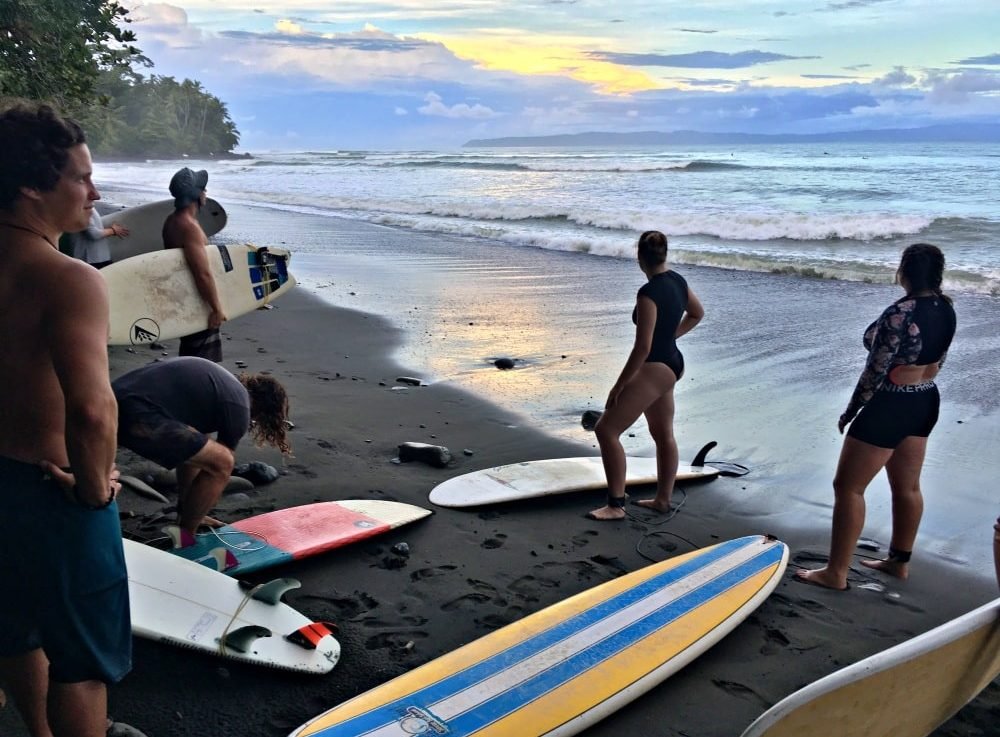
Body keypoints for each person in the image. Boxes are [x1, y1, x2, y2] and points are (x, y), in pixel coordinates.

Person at [0, 102, 138, 736]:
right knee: (82, 666)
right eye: (81, 177)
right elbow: (91, 408)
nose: (96, 191)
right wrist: (93, 488)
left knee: (13, 633)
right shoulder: (68, 278)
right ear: (31, 184)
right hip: (51, 489)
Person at [797, 243, 956, 590]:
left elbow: (876, 368)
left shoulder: (901, 312)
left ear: (904, 272)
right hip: (925, 399)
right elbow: (938, 360)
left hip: (891, 404)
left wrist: (852, 409)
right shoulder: (947, 308)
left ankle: (836, 573)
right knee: (908, 486)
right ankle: (898, 563)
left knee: (848, 487)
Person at [587, 230, 704, 521]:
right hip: (673, 363)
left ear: (640, 258)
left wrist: (619, 385)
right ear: (665, 254)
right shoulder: (678, 280)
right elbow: (697, 313)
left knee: (606, 430)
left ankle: (615, 505)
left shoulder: (648, 293)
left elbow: (643, 347)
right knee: (663, 434)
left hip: (655, 367)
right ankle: (663, 500)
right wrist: (672, 337)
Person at [113, 357, 291, 539]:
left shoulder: (221, 385)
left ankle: (187, 513)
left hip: (109, 402)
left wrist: (191, 508)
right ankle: (186, 536)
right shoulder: (239, 405)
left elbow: (196, 452)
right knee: (222, 463)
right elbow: (218, 468)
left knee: (200, 447)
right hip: (137, 415)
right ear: (266, 410)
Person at [163, 167, 226, 361]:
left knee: (192, 352)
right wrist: (216, 308)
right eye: (204, 189)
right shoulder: (189, 227)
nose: (206, 193)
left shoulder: (172, 220)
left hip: (185, 295)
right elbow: (202, 273)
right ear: (197, 195)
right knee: (202, 359)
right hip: (197, 299)